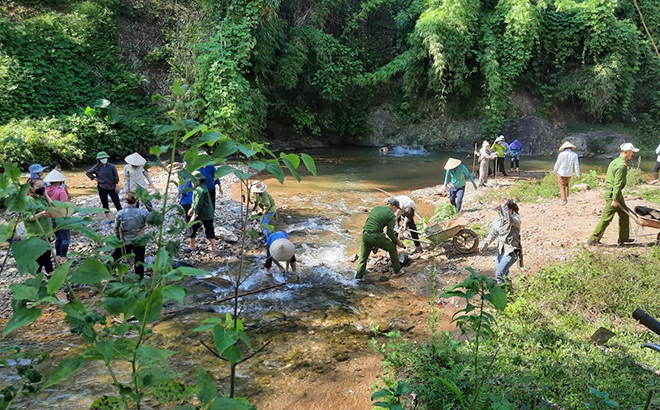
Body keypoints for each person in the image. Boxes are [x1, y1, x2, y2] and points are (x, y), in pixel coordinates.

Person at [588, 143, 639, 246]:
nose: (632, 154)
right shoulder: (621, 166)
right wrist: (615, 199)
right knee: (607, 218)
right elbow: (617, 184)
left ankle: (623, 238)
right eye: (632, 152)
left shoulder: (615, 161)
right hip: (613, 194)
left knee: (624, 214)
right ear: (626, 152)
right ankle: (593, 239)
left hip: (615, 193)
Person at [355, 198, 404, 280]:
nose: (396, 211)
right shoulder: (391, 215)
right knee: (392, 248)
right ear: (393, 206)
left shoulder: (375, 208)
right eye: (396, 209)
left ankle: (358, 278)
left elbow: (372, 223)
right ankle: (397, 271)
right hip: (375, 236)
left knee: (363, 258)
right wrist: (397, 242)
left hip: (365, 235)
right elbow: (390, 233)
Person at [479, 199, 521, 285]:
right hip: (501, 250)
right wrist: (484, 244)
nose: (501, 213)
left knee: (499, 274)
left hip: (511, 251)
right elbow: (493, 233)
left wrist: (505, 209)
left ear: (510, 210)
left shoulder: (515, 220)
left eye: (503, 211)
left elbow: (510, 220)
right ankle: (508, 292)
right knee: (502, 273)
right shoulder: (498, 219)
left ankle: (503, 294)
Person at [113, 194, 149, 279]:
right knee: (139, 260)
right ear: (137, 200)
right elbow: (150, 223)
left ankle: (107, 272)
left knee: (116, 257)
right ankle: (139, 278)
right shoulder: (143, 212)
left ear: (125, 201)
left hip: (125, 239)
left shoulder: (120, 213)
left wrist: (117, 237)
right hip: (139, 239)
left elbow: (116, 228)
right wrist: (143, 229)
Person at [23, 178, 54, 276]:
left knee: (47, 256)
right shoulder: (29, 200)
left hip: (45, 232)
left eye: (42, 186)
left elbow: (52, 207)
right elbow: (29, 218)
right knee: (40, 259)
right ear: (31, 188)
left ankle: (49, 276)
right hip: (36, 234)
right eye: (38, 186)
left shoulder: (40, 197)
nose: (41, 188)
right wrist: (41, 214)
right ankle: (39, 278)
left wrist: (45, 194)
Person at [186, 170, 218, 252]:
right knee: (209, 228)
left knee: (191, 226)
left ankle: (192, 245)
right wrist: (192, 208)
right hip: (208, 213)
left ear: (197, 180)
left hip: (203, 213)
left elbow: (199, 203)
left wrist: (194, 214)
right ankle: (213, 247)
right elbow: (195, 201)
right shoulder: (201, 187)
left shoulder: (199, 190)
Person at [44, 170, 71, 265]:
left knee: (58, 237)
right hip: (60, 216)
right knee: (65, 238)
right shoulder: (60, 190)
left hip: (51, 216)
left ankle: (58, 255)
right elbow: (65, 204)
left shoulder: (46, 190)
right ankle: (63, 257)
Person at [86, 151, 122, 223]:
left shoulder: (111, 166)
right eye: (102, 158)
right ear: (99, 159)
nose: (104, 159)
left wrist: (116, 186)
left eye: (105, 158)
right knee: (104, 203)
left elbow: (116, 176)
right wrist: (93, 178)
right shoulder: (97, 167)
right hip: (102, 187)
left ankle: (121, 216)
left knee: (116, 201)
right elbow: (88, 172)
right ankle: (108, 219)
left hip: (111, 186)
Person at [553, 141, 581, 205]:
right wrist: (578, 174)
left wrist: (554, 170)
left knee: (561, 186)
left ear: (564, 148)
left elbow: (558, 163)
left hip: (561, 172)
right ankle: (566, 197)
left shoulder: (561, 154)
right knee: (566, 185)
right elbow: (576, 165)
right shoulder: (574, 155)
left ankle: (564, 200)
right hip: (569, 173)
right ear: (571, 148)